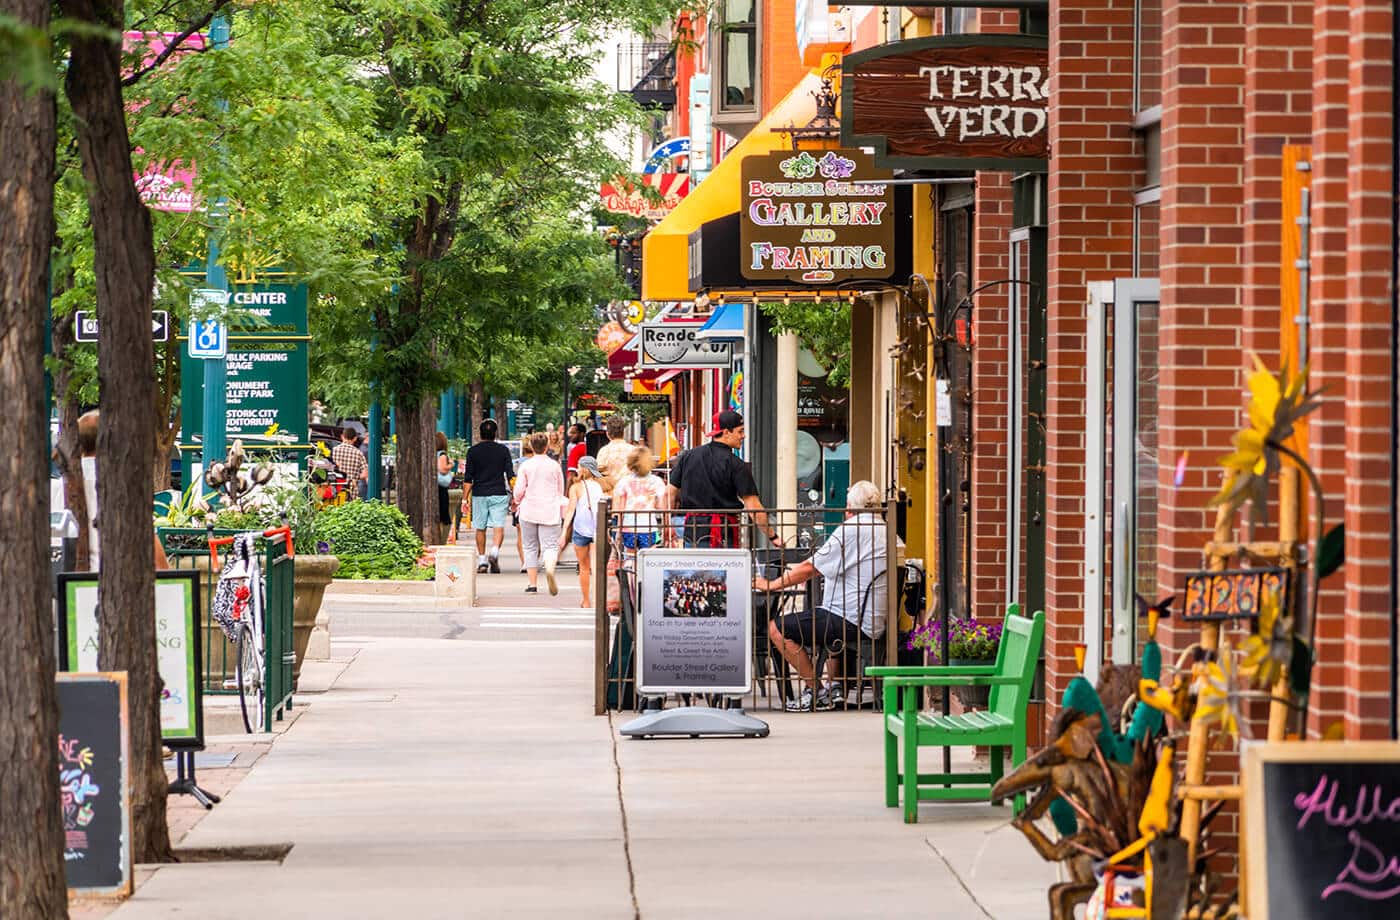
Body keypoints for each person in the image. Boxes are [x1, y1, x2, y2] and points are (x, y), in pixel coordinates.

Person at [754, 480, 890, 712]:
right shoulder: (887, 529)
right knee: (823, 618)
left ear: (850, 507)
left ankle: (815, 691)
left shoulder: (851, 530)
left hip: (851, 619)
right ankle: (834, 686)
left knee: (777, 628)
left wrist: (771, 584)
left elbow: (811, 567)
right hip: (873, 618)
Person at [667, 410, 782, 549]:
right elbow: (754, 507)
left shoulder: (688, 457)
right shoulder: (736, 465)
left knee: (694, 568)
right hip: (723, 534)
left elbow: (669, 494)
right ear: (726, 432)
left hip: (692, 531)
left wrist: (667, 525)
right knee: (721, 570)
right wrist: (773, 536)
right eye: (740, 431)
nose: (743, 436)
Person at [512, 432, 566, 595]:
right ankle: (549, 567)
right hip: (550, 509)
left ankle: (532, 583)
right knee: (550, 545)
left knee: (530, 547)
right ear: (547, 446)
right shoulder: (554, 466)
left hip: (529, 509)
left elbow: (519, 490)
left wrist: (517, 500)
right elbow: (560, 489)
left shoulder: (526, 466)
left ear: (531, 447)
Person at [460, 418, 513, 574]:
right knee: (498, 526)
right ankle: (494, 551)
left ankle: (482, 559)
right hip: (498, 492)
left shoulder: (473, 451)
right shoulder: (503, 451)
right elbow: (510, 475)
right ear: (495, 433)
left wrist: (464, 498)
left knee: (480, 527)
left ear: (480, 433)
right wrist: (515, 494)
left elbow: (468, 478)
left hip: (479, 494)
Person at [562, 455, 604, 607]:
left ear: (585, 469)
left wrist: (563, 531)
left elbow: (570, 511)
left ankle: (586, 601)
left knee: (584, 567)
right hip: (597, 529)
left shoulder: (576, 487)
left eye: (579, 466)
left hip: (580, 529)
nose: (577, 469)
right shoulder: (600, 486)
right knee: (596, 566)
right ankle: (599, 599)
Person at [612, 446, 669, 551]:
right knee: (649, 558)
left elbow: (621, 509)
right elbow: (663, 507)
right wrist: (666, 527)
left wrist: (619, 531)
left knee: (630, 556)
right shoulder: (657, 482)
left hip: (628, 526)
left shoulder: (624, 482)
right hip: (649, 526)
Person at [595, 414, 631, 491]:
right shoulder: (634, 450)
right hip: (630, 493)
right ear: (623, 432)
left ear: (607, 434)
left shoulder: (604, 451)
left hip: (611, 493)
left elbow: (598, 473)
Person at [331, 425, 367, 500]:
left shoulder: (333, 451)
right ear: (355, 438)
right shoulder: (358, 453)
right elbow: (365, 474)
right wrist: (354, 477)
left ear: (342, 436)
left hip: (336, 489)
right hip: (352, 490)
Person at [435, 431, 453, 544]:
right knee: (444, 517)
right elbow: (442, 469)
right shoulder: (442, 454)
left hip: (437, 486)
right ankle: (441, 540)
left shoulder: (433, 453)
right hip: (441, 487)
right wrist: (451, 464)